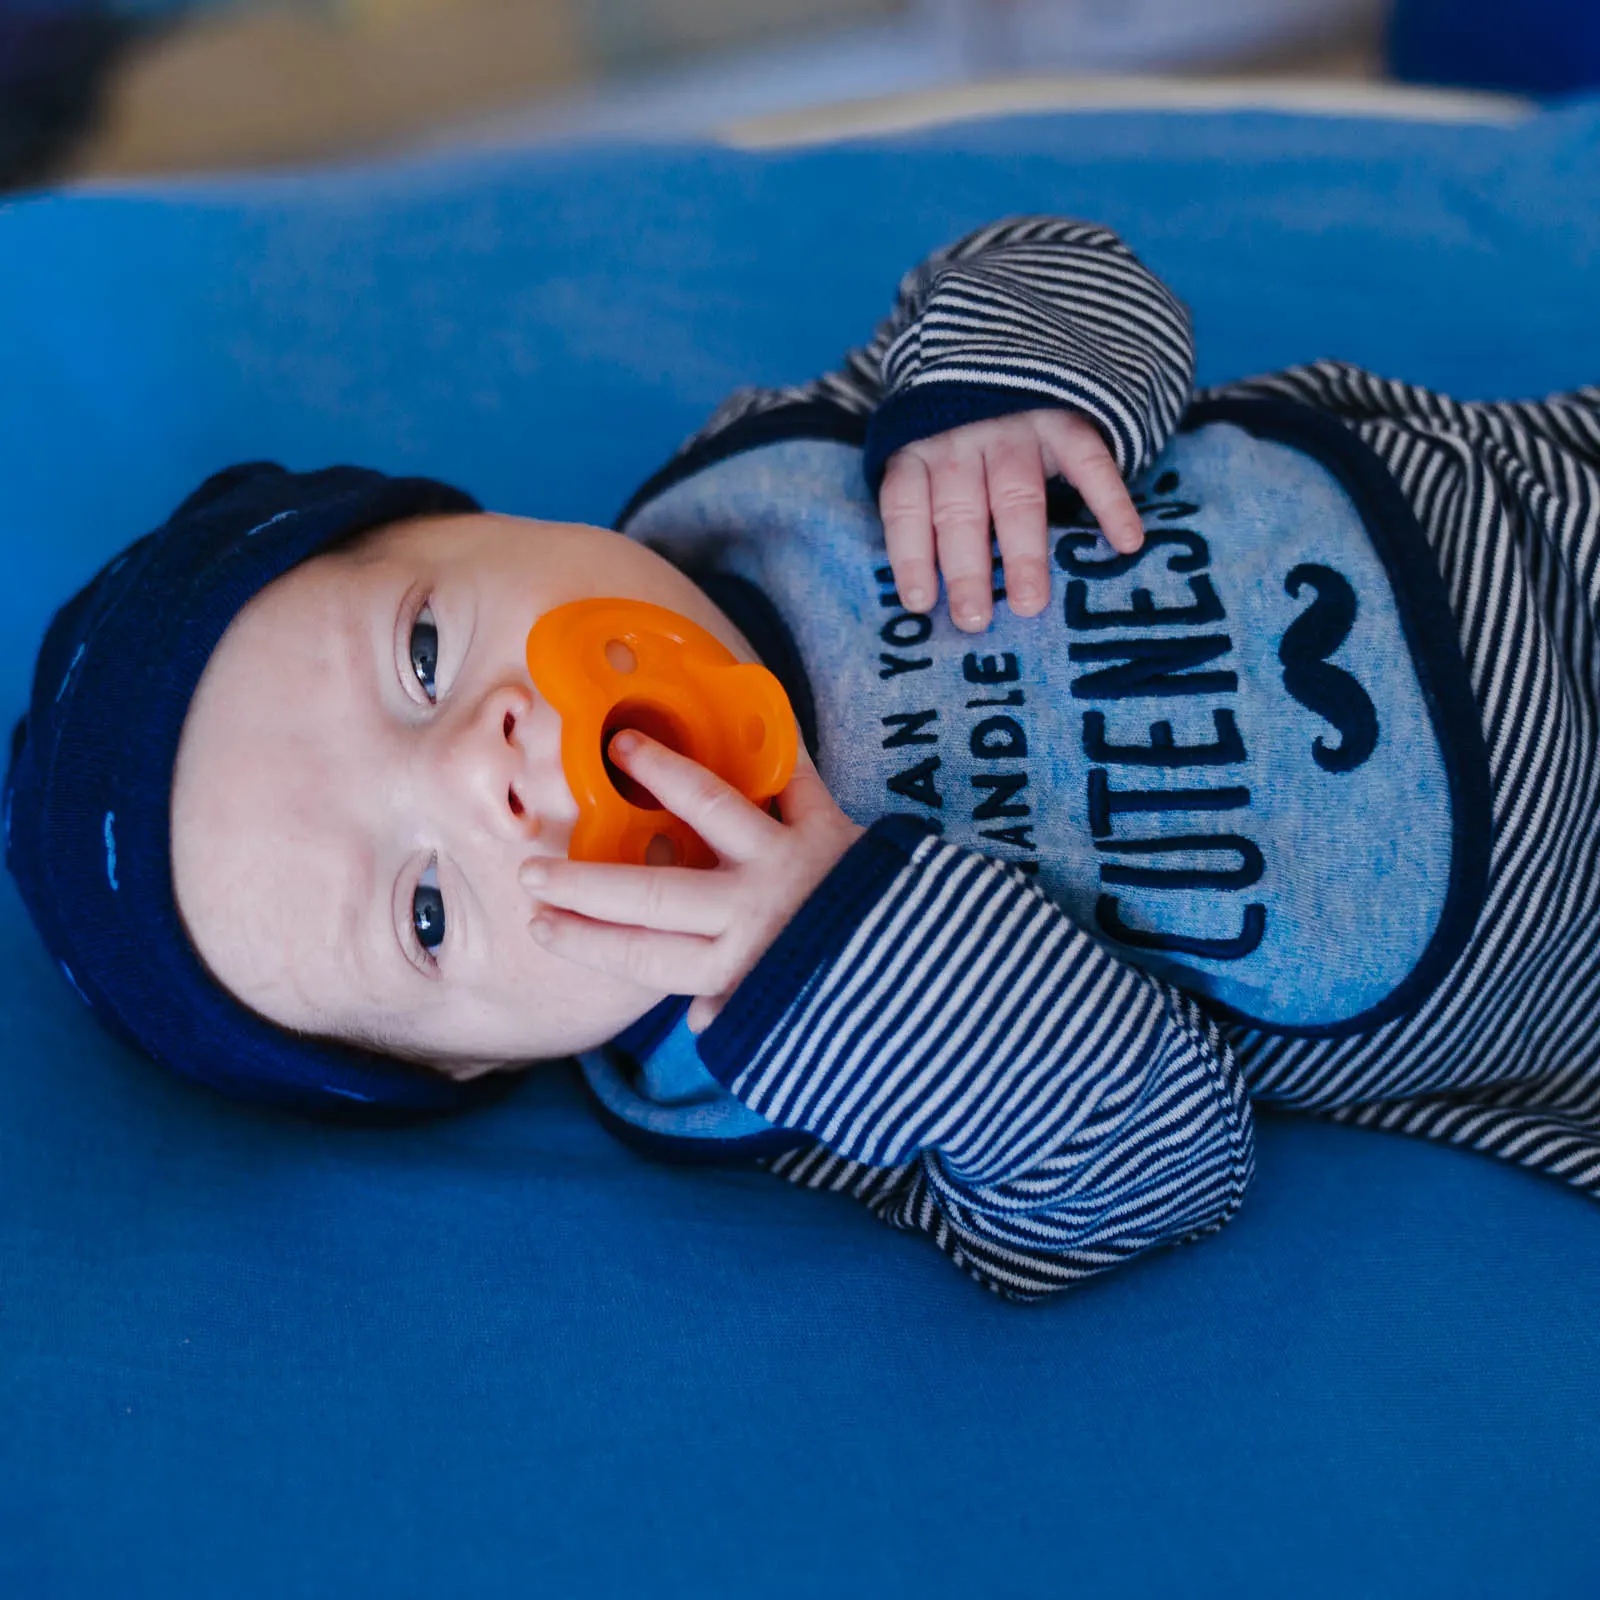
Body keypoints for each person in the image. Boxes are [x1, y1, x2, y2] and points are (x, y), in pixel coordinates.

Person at [8, 216, 1600, 1300]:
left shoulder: (763, 487)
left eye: (423, 655)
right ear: (477, 1070)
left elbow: (1064, 267)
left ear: (475, 518)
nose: (482, 775)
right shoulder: (757, 1070)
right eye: (429, 913)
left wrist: (1004, 393)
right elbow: (1150, 1176)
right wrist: (856, 968)